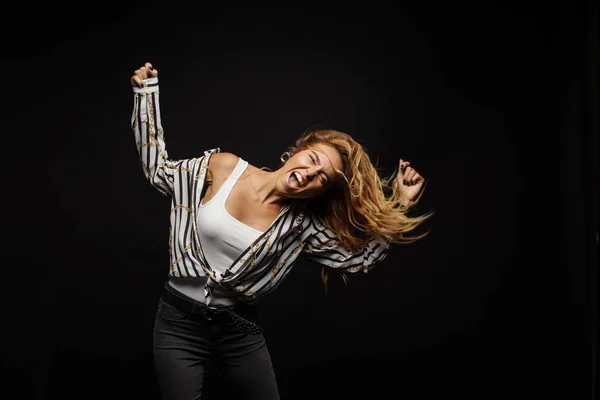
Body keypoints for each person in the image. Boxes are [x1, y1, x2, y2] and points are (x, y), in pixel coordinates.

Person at [130, 61, 432, 400]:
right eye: (314, 159)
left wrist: (402, 204)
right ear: (301, 149)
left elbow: (357, 261)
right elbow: (159, 170)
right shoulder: (225, 166)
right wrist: (146, 95)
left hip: (237, 331)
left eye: (324, 179)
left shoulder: (300, 226)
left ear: (320, 192)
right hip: (178, 323)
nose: (311, 173)